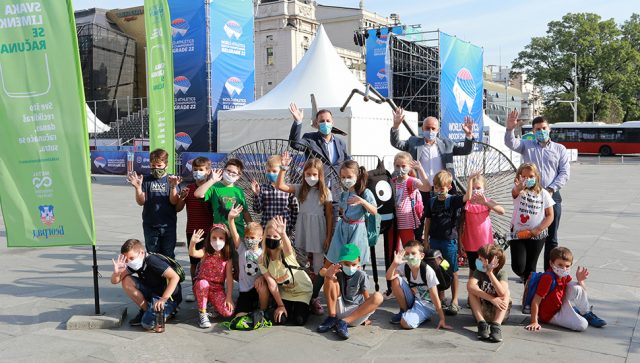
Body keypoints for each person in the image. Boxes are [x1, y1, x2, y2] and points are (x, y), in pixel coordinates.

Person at [505, 111, 570, 271]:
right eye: (537, 129)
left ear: (549, 129)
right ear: (533, 132)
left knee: (551, 237)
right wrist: (509, 129)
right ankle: (528, 271)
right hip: (528, 197)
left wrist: (551, 189)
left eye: (543, 128)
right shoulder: (527, 145)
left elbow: (564, 172)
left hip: (552, 195)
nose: (541, 131)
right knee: (528, 232)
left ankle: (550, 271)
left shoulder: (559, 149)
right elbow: (511, 143)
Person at [276, 152, 334, 315]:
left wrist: (328, 237)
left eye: (314, 174)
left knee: (317, 265)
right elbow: (280, 185)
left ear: (320, 175)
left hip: (318, 229)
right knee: (300, 261)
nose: (311, 177)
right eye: (308, 174)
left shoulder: (326, 192)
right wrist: (283, 168)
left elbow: (329, 216)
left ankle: (314, 297)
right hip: (302, 227)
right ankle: (300, 293)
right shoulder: (301, 188)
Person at [525, 247, 606, 332]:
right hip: (550, 315)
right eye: (560, 265)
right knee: (583, 325)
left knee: (577, 287)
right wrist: (534, 321)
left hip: (559, 305)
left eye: (567, 266)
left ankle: (586, 313)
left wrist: (580, 281)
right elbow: (536, 301)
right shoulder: (548, 278)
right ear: (551, 263)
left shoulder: (564, 276)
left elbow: (581, 292)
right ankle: (575, 312)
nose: (564, 269)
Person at [422, 170, 469, 315]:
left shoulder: (453, 200)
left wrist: (471, 180)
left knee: (452, 270)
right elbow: (428, 220)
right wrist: (425, 239)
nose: (439, 191)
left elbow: (467, 197)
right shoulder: (431, 201)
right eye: (436, 188)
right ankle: (441, 296)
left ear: (448, 187)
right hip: (435, 241)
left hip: (449, 242)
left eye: (442, 188)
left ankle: (454, 300)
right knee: (437, 269)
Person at [110, 239, 182, 330]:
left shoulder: (153, 261)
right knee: (126, 280)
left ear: (142, 253)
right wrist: (117, 273)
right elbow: (115, 281)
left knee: (147, 324)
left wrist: (164, 299)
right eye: (126, 259)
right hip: (152, 292)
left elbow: (175, 277)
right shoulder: (135, 263)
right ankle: (148, 311)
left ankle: (170, 312)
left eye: (131, 258)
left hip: (167, 297)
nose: (129, 262)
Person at [390, 109, 474, 187]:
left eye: (433, 128)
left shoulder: (447, 144)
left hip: (442, 187)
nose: (430, 131)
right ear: (422, 129)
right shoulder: (413, 142)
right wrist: (396, 126)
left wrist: (469, 135)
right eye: (427, 128)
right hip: (420, 186)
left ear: (438, 130)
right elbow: (396, 143)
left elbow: (466, 150)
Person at [317, 244, 383, 340]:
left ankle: (343, 322)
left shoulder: (361, 275)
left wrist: (365, 315)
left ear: (359, 261)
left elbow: (366, 298)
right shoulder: (338, 271)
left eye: (353, 264)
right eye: (347, 264)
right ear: (341, 262)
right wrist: (328, 273)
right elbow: (322, 271)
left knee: (378, 296)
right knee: (330, 278)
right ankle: (332, 318)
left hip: (355, 314)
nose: (350, 267)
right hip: (339, 309)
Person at [260, 216, 313, 326]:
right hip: (286, 293)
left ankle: (308, 304)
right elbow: (272, 283)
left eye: (275, 236)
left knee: (299, 320)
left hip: (302, 290)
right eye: (269, 236)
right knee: (280, 320)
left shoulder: (286, 253)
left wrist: (283, 234)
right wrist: (280, 305)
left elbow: (288, 247)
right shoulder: (262, 259)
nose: (272, 239)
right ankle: (285, 306)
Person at [127, 148, 180, 258]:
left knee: (168, 255)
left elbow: (174, 201)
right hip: (150, 225)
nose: (156, 168)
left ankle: (170, 275)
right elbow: (141, 202)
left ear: (166, 165)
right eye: (153, 166)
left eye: (159, 166)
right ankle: (155, 275)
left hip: (168, 225)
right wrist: (137, 188)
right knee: (153, 256)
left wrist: (173, 187)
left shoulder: (172, 180)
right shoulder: (145, 180)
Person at [175, 156, 215, 302]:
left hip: (209, 231)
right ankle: (194, 289)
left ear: (208, 171)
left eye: (201, 170)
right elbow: (178, 209)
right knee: (194, 263)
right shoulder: (189, 188)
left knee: (210, 262)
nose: (198, 172)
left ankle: (211, 289)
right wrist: (182, 198)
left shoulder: (212, 188)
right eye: (195, 170)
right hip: (192, 231)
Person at [385, 240, 450, 330]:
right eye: (407, 253)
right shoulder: (405, 266)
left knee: (405, 323)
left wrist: (442, 319)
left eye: (413, 253)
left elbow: (435, 296)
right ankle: (404, 311)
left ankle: (420, 316)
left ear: (421, 256)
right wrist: (394, 264)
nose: (410, 256)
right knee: (395, 279)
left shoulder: (427, 271)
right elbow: (389, 277)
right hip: (414, 298)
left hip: (426, 305)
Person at [509, 163, 555, 290]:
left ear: (536, 177)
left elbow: (550, 215)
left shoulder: (544, 193)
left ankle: (528, 296)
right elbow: (515, 192)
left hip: (537, 236)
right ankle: (526, 277)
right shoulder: (518, 191)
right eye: (523, 176)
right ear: (519, 177)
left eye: (530, 176)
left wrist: (538, 229)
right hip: (518, 233)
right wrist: (518, 187)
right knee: (518, 267)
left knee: (531, 267)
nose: (527, 179)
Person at [325, 160, 377, 266]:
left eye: (349, 177)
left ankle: (357, 281)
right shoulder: (344, 194)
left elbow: (374, 211)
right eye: (343, 177)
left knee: (353, 261)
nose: (345, 180)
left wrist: (362, 201)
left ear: (357, 176)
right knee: (334, 259)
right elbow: (342, 209)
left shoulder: (365, 192)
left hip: (357, 229)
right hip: (343, 228)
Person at [189, 224, 234, 328]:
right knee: (203, 284)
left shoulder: (227, 257)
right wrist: (193, 243)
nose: (217, 241)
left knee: (228, 312)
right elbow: (193, 253)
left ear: (226, 240)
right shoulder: (206, 252)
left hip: (217, 289)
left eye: (221, 238)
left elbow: (230, 279)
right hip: (201, 286)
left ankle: (211, 304)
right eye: (214, 238)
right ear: (209, 238)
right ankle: (202, 313)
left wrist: (229, 297)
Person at [194, 158, 252, 239]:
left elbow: (245, 212)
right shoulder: (214, 187)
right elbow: (197, 194)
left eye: (234, 173)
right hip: (220, 233)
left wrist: (252, 228)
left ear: (238, 176)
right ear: (224, 170)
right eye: (228, 170)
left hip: (238, 233)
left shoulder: (239, 191)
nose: (230, 174)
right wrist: (212, 180)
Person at [227, 204, 269, 317]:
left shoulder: (262, 253)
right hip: (245, 290)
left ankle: (263, 311)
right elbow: (235, 234)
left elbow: (269, 271)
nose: (249, 240)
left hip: (258, 287)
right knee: (239, 316)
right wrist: (230, 219)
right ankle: (251, 308)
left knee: (263, 288)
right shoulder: (242, 249)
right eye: (247, 237)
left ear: (260, 238)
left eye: (252, 238)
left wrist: (262, 277)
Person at [462, 173, 505, 279]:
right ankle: (472, 292)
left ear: (484, 189)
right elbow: (461, 223)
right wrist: (460, 242)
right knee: (473, 268)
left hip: (485, 242)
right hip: (470, 242)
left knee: (486, 267)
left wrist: (485, 203)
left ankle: (485, 289)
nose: (475, 190)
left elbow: (501, 211)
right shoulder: (466, 202)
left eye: (478, 188)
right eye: (473, 188)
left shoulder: (487, 201)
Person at [467, 244, 511, 343]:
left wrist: (490, 273)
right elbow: (470, 286)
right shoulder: (479, 271)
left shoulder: (501, 273)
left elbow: (502, 293)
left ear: (491, 262)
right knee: (472, 291)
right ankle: (481, 324)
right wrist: (492, 299)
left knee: (506, 292)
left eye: (481, 259)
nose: (478, 260)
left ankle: (496, 326)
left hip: (499, 310)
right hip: (482, 310)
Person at [288, 103, 350, 170]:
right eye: (322, 121)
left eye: (328, 121)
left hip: (336, 180)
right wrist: (298, 121)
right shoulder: (310, 139)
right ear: (317, 123)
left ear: (332, 123)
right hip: (318, 180)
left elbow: (347, 163)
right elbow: (294, 144)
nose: (325, 123)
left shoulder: (341, 143)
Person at [252, 155, 299, 240]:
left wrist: (290, 225)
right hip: (266, 229)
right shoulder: (262, 188)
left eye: (274, 171)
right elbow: (257, 210)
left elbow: (295, 209)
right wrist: (256, 195)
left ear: (281, 172)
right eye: (268, 171)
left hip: (283, 229)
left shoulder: (288, 188)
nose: (271, 174)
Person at [391, 152, 431, 248]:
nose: (400, 169)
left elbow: (427, 188)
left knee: (410, 251)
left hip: (407, 223)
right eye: (397, 166)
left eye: (403, 166)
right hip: (392, 222)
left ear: (409, 167)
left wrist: (420, 169)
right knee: (392, 252)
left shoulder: (411, 181)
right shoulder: (392, 181)